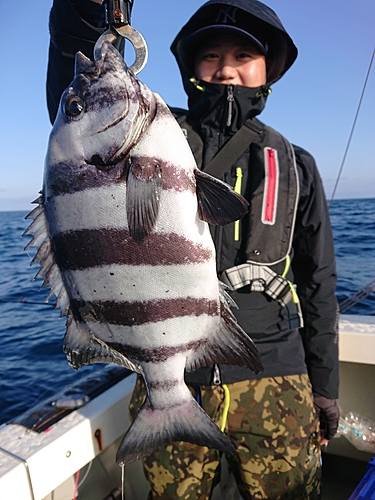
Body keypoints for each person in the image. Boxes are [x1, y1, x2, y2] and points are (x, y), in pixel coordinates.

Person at [46, 1, 340, 499]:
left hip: (276, 374)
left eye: (244, 54)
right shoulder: (160, 133)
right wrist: (86, 12)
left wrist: (326, 387)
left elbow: (319, 284)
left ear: (269, 69)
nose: (226, 66)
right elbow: (74, 100)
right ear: (190, 67)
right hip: (170, 372)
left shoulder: (297, 164)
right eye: (211, 55)